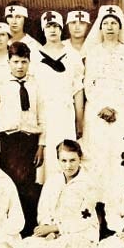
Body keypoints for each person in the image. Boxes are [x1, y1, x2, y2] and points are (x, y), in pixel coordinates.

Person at [12, 139, 100, 248]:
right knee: (28, 245)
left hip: (80, 234)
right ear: (58, 160)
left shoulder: (88, 184)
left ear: (80, 158)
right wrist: (47, 227)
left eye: (72, 160)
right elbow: (44, 210)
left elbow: (84, 219)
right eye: (64, 161)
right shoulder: (53, 181)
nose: (68, 165)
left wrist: (56, 229)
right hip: (53, 231)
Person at [82, 5, 124, 199]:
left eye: (114, 23)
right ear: (100, 27)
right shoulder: (93, 51)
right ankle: (96, 200)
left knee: (118, 151)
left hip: (120, 108)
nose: (110, 27)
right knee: (97, 152)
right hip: (96, 109)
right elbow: (88, 81)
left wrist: (114, 106)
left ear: (120, 27)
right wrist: (100, 106)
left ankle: (117, 199)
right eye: (106, 23)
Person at [0, 41, 45, 236]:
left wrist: (41, 145)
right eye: (15, 62)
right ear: (9, 62)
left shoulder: (36, 85)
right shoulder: (0, 84)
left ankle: (26, 231)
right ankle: (7, 229)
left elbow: (43, 116)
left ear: (29, 62)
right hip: (7, 140)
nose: (20, 66)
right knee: (8, 184)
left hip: (28, 140)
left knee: (27, 186)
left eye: (24, 62)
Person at [32, 10, 84, 182]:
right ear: (43, 29)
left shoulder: (72, 55)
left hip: (65, 113)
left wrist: (79, 120)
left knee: (66, 154)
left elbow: (77, 90)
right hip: (44, 112)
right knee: (46, 158)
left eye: (56, 26)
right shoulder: (34, 55)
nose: (52, 30)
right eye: (48, 26)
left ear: (61, 28)